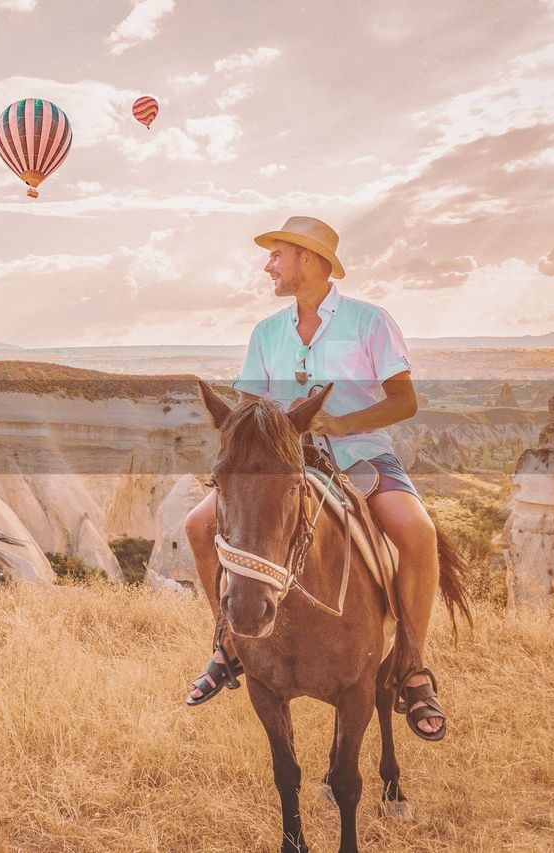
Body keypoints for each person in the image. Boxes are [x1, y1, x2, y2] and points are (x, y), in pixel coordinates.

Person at [183, 216, 448, 740]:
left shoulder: (371, 322)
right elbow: (248, 408)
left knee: (418, 534)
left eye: (276, 255)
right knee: (197, 526)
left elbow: (405, 401)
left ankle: (412, 666)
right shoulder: (267, 331)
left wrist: (341, 422)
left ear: (307, 258)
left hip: (361, 458)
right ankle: (228, 643)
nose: (268, 266)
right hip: (285, 467)